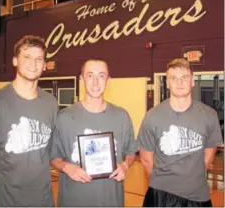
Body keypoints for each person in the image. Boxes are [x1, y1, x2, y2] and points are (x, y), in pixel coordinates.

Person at [0, 35, 58, 207]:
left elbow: (53, 153)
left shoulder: (51, 103)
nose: (33, 63)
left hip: (43, 202)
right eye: (27, 57)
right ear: (15, 60)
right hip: (6, 202)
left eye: (39, 59)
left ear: (44, 65)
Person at [50, 59, 138, 207]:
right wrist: (66, 167)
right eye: (90, 75)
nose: (96, 82)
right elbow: (53, 157)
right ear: (82, 79)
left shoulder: (122, 116)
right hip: (74, 201)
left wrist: (125, 166)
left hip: (111, 201)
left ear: (108, 81)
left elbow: (131, 152)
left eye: (101, 76)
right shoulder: (64, 117)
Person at [138, 58, 223, 207]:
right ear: (168, 83)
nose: (180, 82)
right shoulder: (152, 115)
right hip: (160, 194)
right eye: (174, 78)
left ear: (192, 81)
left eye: (184, 77)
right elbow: (146, 159)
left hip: (198, 194)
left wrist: (190, 179)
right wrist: (167, 181)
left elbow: (209, 154)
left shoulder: (209, 115)